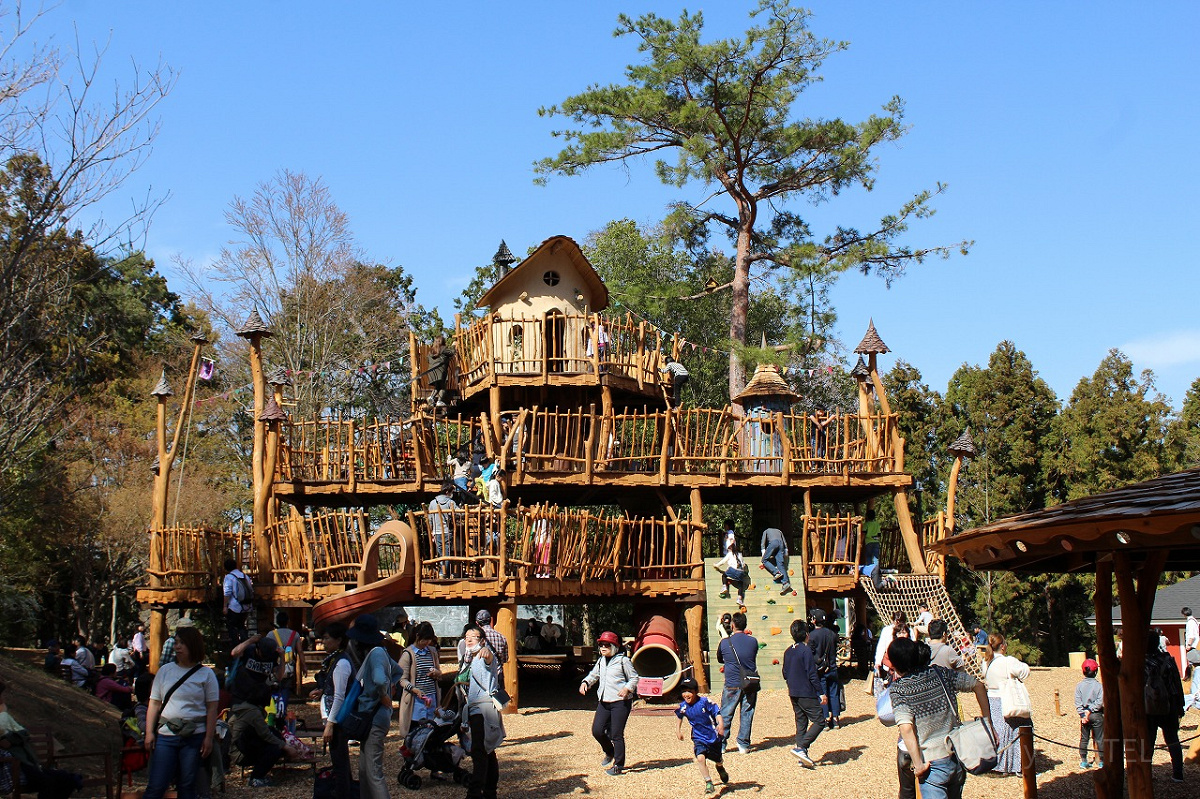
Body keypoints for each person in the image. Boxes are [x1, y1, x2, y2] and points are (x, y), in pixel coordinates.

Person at [889, 637, 992, 799]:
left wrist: (919, 765)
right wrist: (987, 722)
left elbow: (906, 727)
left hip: (931, 763)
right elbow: (977, 685)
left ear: (894, 664)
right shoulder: (940, 673)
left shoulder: (899, 689)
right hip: (955, 754)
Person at [143, 625, 220, 799]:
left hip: (194, 735)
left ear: (192, 645)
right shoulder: (165, 671)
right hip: (166, 735)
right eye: (176, 643)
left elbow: (212, 708)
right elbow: (154, 703)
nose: (177, 647)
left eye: (182, 643)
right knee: (157, 784)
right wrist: (149, 732)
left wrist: (208, 737)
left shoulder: (206, 675)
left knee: (187, 785)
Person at [341, 615, 400, 799]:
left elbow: (380, 679)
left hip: (374, 717)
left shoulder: (374, 654)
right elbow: (398, 670)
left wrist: (384, 696)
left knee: (374, 773)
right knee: (364, 770)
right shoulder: (381, 651)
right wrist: (391, 686)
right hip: (374, 717)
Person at [0, 679, 83, 799]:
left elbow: (23, 733)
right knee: (47, 782)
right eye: (1, 696)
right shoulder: (3, 716)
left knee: (67, 779)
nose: (3, 699)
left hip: (26, 762)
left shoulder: (4, 715)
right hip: (14, 767)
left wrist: (12, 739)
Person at [579, 631, 638, 776]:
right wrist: (586, 682)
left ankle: (618, 765)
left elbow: (634, 678)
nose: (603, 647)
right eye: (601, 645)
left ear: (615, 646)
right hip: (604, 701)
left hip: (620, 702)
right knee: (597, 731)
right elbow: (594, 674)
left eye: (607, 645)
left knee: (616, 734)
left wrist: (627, 688)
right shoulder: (601, 661)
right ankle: (609, 752)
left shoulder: (623, 661)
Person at [229, 682, 305, 787]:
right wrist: (286, 747)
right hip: (240, 753)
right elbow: (265, 735)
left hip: (241, 746)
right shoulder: (253, 713)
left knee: (274, 734)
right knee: (275, 749)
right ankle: (256, 777)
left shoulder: (247, 707)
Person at [461, 624, 504, 799]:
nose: (469, 640)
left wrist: (485, 651)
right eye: (467, 637)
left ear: (482, 640)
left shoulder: (484, 654)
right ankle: (489, 791)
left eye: (474, 637)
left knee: (479, 751)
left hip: (483, 710)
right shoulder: (469, 658)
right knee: (487, 751)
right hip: (477, 708)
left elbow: (488, 659)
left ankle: (475, 793)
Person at [981, 632, 1031, 774]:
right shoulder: (1008, 661)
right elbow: (1025, 671)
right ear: (1002, 646)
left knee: (998, 732)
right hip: (1007, 698)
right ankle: (1019, 765)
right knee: (1018, 730)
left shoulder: (986, 662)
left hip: (992, 699)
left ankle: (998, 764)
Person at [319, 623, 357, 799]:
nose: (323, 642)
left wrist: (330, 723)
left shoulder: (341, 663)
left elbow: (339, 696)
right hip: (335, 717)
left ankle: (344, 794)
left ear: (339, 640)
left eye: (327, 638)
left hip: (339, 720)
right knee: (340, 762)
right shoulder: (335, 660)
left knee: (340, 763)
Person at [782, 620, 825, 768]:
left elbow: (784, 673)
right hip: (806, 691)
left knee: (801, 723)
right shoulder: (805, 651)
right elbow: (812, 674)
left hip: (793, 691)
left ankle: (802, 754)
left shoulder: (788, 651)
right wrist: (821, 692)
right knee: (819, 720)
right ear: (806, 635)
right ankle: (802, 747)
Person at [675, 677, 729, 796]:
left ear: (695, 691)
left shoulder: (704, 702)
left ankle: (719, 766)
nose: (686, 694)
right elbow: (680, 716)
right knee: (700, 758)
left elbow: (716, 712)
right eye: (684, 691)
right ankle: (708, 782)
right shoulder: (683, 706)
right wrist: (678, 730)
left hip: (713, 737)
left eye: (689, 691)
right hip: (698, 737)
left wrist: (720, 724)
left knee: (718, 759)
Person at [1143, 630, 1185, 783]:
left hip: (1148, 706)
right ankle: (1178, 773)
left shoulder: (1141, 663)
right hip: (1169, 704)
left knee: (1148, 741)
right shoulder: (1168, 660)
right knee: (1173, 739)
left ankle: (1146, 773)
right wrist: (1181, 705)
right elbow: (1177, 684)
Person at [715, 611, 758, 754]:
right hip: (749, 682)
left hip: (732, 681)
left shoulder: (725, 642)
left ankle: (721, 743)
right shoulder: (753, 641)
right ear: (745, 626)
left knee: (726, 713)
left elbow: (721, 659)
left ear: (732, 625)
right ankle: (743, 743)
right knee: (747, 712)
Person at [396, 622, 442, 741]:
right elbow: (402, 679)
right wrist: (414, 689)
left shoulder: (432, 652)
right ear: (417, 636)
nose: (427, 643)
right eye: (425, 640)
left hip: (431, 697)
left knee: (431, 733)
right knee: (415, 733)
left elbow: (439, 672)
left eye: (429, 640)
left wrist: (436, 673)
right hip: (415, 701)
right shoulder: (408, 654)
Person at [807, 609, 841, 729]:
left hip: (819, 669)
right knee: (834, 692)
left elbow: (810, 653)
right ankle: (836, 718)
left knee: (822, 693)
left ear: (814, 620)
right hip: (832, 667)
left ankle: (825, 719)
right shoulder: (831, 634)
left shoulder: (812, 636)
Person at [1075, 658, 1104, 770]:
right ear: (1096, 672)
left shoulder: (1079, 686)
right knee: (1099, 738)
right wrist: (1090, 710)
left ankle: (1083, 761)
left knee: (1084, 738)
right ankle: (1102, 761)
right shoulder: (1099, 686)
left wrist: (1083, 714)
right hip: (1096, 714)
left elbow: (1077, 701)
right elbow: (1099, 701)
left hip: (1084, 717)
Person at [874, 612, 913, 695]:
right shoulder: (887, 630)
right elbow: (881, 646)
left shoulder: (909, 630)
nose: (897, 623)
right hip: (891, 662)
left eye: (900, 621)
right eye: (896, 621)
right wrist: (878, 661)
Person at [269, 611, 305, 697]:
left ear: (277, 621)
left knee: (274, 687)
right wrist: (304, 666)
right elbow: (300, 651)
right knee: (286, 688)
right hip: (289, 666)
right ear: (288, 621)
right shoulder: (295, 634)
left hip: (275, 666)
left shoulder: (271, 634)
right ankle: (283, 706)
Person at [427, 483, 457, 579]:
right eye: (452, 492)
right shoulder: (450, 502)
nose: (452, 494)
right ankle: (444, 573)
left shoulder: (432, 503)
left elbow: (430, 519)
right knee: (447, 552)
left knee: (441, 553)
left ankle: (443, 573)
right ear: (447, 492)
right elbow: (458, 513)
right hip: (447, 531)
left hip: (437, 532)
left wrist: (432, 531)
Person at [222, 558, 253, 649]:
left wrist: (225, 606)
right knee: (241, 625)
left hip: (235, 607)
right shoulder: (244, 576)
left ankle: (235, 647)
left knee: (232, 626)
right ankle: (246, 645)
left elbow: (227, 593)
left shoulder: (229, 577)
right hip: (246, 606)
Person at [475, 610, 510, 684]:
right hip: (497, 674)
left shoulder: (476, 637)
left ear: (477, 623)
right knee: (498, 695)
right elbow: (505, 659)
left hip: (481, 675)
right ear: (490, 621)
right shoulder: (501, 637)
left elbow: (468, 659)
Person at [759, 527, 793, 596]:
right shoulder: (779, 531)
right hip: (781, 545)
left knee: (764, 560)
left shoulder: (766, 531)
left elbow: (763, 542)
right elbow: (784, 541)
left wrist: (763, 553)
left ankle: (776, 572)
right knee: (780, 564)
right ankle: (786, 583)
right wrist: (786, 550)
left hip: (773, 543)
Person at [425, 334, 454, 408]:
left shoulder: (431, 351)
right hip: (440, 371)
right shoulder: (443, 349)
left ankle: (431, 397)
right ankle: (439, 401)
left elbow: (427, 360)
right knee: (443, 386)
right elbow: (452, 352)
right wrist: (454, 345)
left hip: (431, 371)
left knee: (437, 386)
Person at [1185, 606, 1200, 712]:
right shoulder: (1195, 621)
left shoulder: (1190, 622)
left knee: (1196, 673)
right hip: (1196, 648)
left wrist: (1188, 645)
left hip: (1193, 648)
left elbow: (1191, 636)